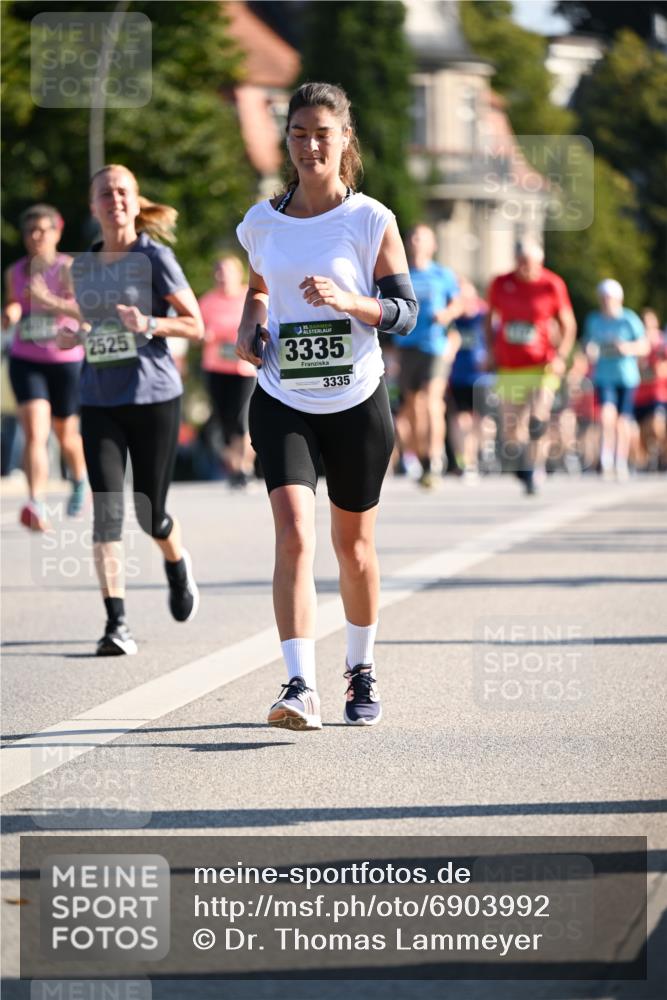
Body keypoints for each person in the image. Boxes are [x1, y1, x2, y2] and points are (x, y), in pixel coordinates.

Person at [235, 82, 416, 730]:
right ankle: (297, 685)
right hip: (283, 397)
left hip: (355, 401)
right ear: (286, 141)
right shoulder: (260, 223)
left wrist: (351, 302)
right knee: (292, 535)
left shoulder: (370, 219)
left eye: (322, 133)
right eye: (299, 133)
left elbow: (404, 311)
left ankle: (360, 667)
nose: (311, 145)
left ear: (344, 141)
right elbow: (260, 290)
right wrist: (245, 326)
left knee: (355, 549)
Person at [58, 164, 204, 655]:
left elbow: (195, 324)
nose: (115, 199)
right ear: (93, 204)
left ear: (136, 202)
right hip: (98, 398)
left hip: (153, 397)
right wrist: (71, 335)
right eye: (105, 192)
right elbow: (90, 329)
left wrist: (149, 322)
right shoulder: (82, 267)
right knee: (107, 513)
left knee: (149, 513)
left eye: (123, 191)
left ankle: (175, 558)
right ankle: (116, 623)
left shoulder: (154, 257)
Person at [3, 204, 86, 531]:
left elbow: (84, 313)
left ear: (56, 233)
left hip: (65, 362)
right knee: (35, 431)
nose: (36, 236)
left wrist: (48, 301)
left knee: (65, 435)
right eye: (30, 231)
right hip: (26, 359)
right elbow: (14, 301)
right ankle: (35, 502)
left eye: (43, 230)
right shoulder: (15, 271)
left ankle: (79, 479)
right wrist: (10, 311)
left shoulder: (69, 269)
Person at [486, 236, 576, 494]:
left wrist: (561, 355)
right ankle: (522, 462)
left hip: (542, 365)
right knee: (512, 428)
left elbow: (568, 324)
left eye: (531, 262)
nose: (526, 267)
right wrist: (491, 350)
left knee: (538, 418)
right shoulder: (501, 283)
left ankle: (534, 467)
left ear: (541, 261)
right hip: (510, 365)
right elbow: (489, 319)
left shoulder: (552, 284)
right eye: (522, 261)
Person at [394, 224, 461, 488]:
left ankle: (435, 457)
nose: (416, 241)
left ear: (433, 245)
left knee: (433, 401)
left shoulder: (442, 274)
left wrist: (447, 314)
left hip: (434, 345)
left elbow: (457, 303)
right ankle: (422, 458)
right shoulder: (402, 273)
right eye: (413, 237)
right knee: (413, 407)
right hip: (407, 345)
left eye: (422, 237)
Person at [199, 254, 256, 487]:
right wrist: (207, 335)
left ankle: (244, 467)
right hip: (215, 368)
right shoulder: (208, 301)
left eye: (227, 271)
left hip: (244, 369)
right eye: (219, 271)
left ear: (239, 273)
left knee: (242, 419)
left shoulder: (249, 296)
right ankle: (234, 468)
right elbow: (197, 329)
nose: (222, 276)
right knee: (224, 420)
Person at [582, 279, 649, 480]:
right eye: (602, 299)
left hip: (626, 377)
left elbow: (644, 346)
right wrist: (589, 350)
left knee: (622, 421)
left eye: (609, 299)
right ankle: (606, 459)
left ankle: (621, 460)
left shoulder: (628, 319)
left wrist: (627, 348)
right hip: (603, 376)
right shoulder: (594, 320)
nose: (606, 303)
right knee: (606, 416)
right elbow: (587, 344)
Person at [447, 279, 488, 482]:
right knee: (461, 420)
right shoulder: (452, 321)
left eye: (468, 297)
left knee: (482, 421)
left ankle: (479, 456)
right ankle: (466, 462)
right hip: (458, 376)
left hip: (482, 378)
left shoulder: (484, 318)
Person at [633, 308, 667, 471]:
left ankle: (662, 456)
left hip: (658, 393)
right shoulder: (637, 344)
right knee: (643, 431)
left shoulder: (661, 343)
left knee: (656, 425)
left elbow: (661, 370)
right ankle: (650, 459)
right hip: (639, 395)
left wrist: (646, 373)